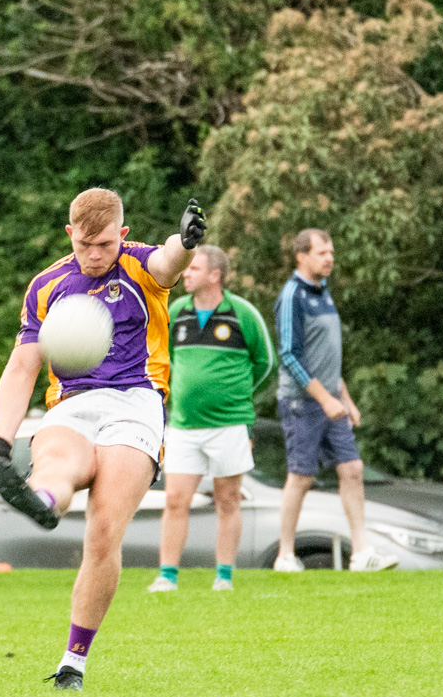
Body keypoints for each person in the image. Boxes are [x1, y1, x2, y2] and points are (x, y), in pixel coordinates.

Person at [0, 188, 205, 691]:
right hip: (72, 401)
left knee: (103, 530)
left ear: (121, 234)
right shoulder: (47, 286)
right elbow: (23, 365)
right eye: (84, 246)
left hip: (137, 402)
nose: (95, 256)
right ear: (69, 235)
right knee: (56, 463)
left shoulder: (140, 266)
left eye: (104, 244)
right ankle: (42, 500)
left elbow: (168, 260)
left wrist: (185, 242)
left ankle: (73, 662)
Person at [148, 245, 275, 593]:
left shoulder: (242, 313)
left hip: (230, 424)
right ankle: (167, 576)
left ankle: (223, 576)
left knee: (228, 500)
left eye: (194, 268)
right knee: (175, 500)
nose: (185, 273)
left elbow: (265, 363)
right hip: (185, 425)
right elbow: (167, 359)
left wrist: (237, 398)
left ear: (214, 275)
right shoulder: (177, 311)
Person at [271, 229, 398, 573]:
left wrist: (345, 398)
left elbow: (327, 356)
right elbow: (290, 356)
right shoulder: (293, 295)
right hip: (302, 403)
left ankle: (361, 553)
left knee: (353, 470)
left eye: (331, 252)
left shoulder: (324, 294)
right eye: (322, 252)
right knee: (301, 476)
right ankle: (285, 554)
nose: (329, 258)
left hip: (331, 401)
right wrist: (325, 399)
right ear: (302, 256)